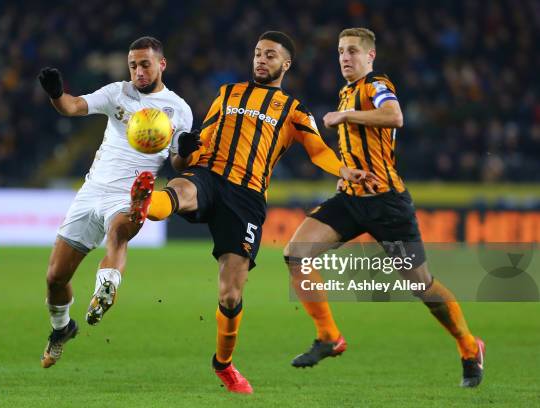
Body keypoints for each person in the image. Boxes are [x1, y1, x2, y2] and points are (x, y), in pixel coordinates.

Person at [128, 31, 379, 393]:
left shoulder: (293, 109)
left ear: (285, 64)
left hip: (246, 198)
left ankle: (223, 364)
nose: (261, 60)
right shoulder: (228, 93)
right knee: (179, 191)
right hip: (207, 173)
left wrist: (344, 170)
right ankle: (145, 204)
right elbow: (191, 149)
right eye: (258, 54)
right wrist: (182, 151)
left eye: (270, 56)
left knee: (231, 294)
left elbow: (318, 150)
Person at [283, 27, 485, 388]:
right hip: (350, 197)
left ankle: (469, 347)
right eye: (341, 51)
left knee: (422, 287)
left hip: (388, 204)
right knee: (297, 254)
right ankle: (329, 336)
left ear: (370, 56)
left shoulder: (377, 84)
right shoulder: (345, 92)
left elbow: (395, 116)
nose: (345, 57)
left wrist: (345, 117)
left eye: (353, 51)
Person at [36, 36, 193, 368]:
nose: (138, 71)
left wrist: (188, 149)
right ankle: (62, 329)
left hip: (132, 192)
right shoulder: (117, 93)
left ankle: (106, 287)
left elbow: (178, 163)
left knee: (119, 232)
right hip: (92, 191)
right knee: (55, 279)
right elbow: (72, 106)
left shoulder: (178, 109)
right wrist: (55, 93)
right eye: (133, 65)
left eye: (145, 64)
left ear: (161, 64)